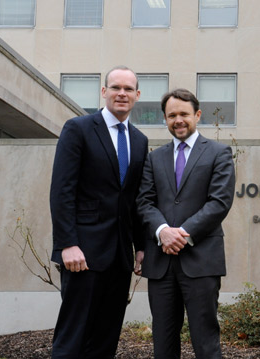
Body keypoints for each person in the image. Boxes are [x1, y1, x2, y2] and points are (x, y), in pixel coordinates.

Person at [49, 66, 148, 358]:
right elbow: (62, 190)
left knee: (106, 338)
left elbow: (135, 200)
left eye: (128, 89)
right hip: (82, 254)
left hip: (120, 257)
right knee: (73, 336)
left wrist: (140, 247)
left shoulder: (140, 141)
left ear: (137, 95)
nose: (122, 93)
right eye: (115, 87)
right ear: (103, 92)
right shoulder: (78, 128)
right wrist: (67, 244)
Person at [136, 88, 235, 359]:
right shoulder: (154, 157)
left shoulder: (219, 153)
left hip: (201, 260)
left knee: (206, 341)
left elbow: (219, 202)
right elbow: (144, 202)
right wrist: (162, 231)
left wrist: (181, 233)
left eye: (184, 114)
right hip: (161, 264)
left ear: (197, 115)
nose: (178, 120)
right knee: (163, 342)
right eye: (171, 115)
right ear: (165, 119)